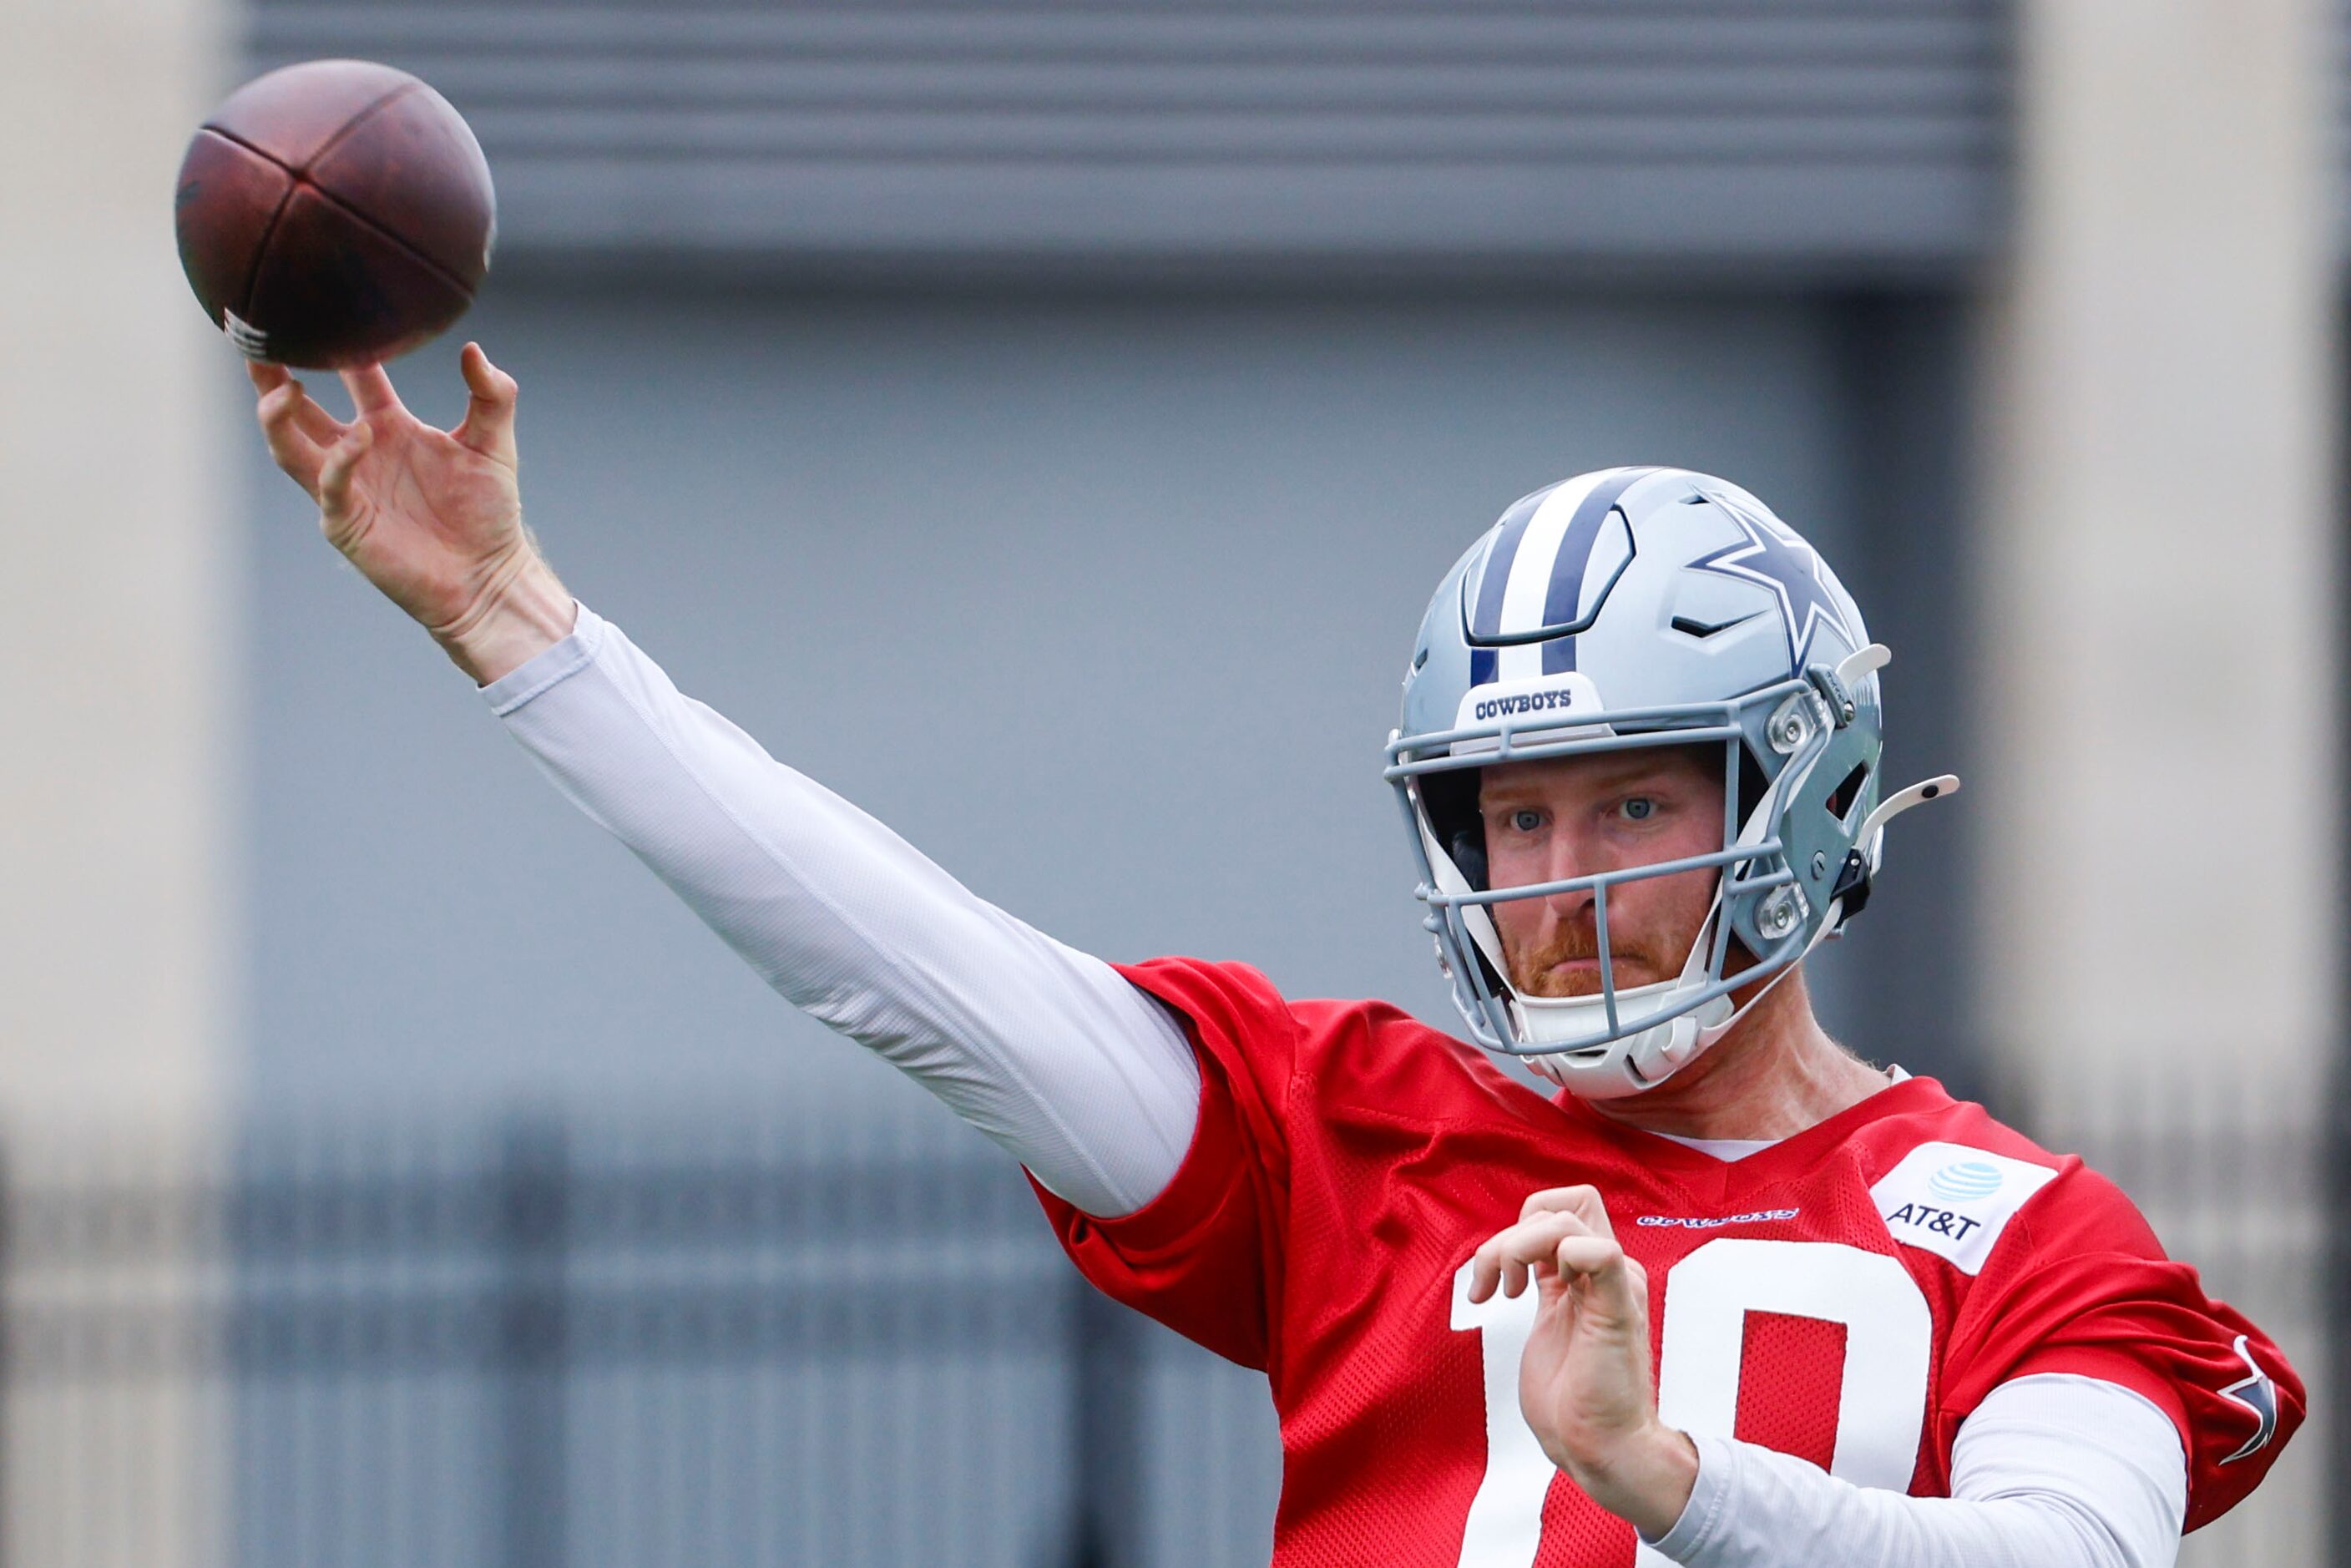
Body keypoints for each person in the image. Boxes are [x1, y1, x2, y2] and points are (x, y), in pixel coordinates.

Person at [248, 346, 2302, 1568]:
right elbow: (894, 957)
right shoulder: (1347, 1133)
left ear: (1801, 796)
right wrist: (512, 615)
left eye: (1630, 806)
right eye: (1513, 815)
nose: (1557, 879)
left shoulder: (2027, 1239)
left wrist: (1664, 1480)